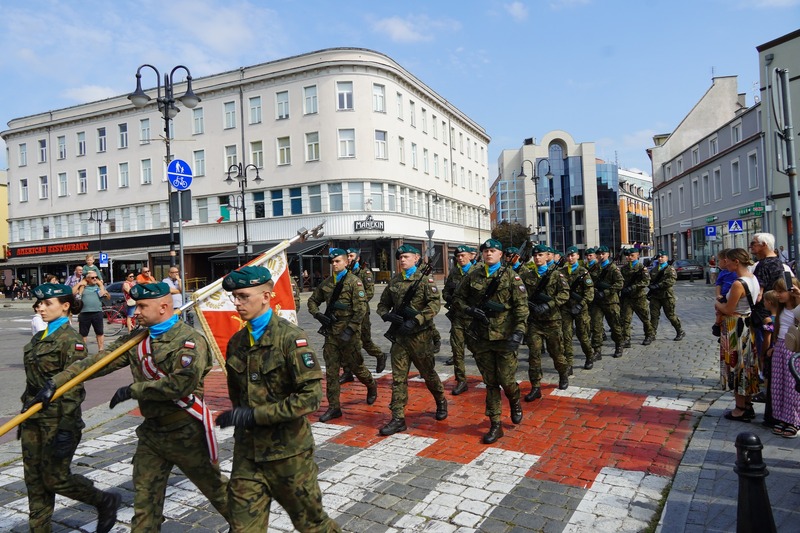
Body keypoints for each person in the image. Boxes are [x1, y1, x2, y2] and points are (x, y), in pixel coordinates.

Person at [27, 282, 230, 530]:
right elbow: (99, 361)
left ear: (164, 307)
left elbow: (180, 385)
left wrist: (133, 390)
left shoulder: (189, 341)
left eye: (143, 306)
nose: (137, 311)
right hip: (152, 435)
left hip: (185, 431)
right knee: (144, 506)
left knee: (219, 493)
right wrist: (55, 382)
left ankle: (246, 525)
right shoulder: (138, 339)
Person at [216, 266, 340, 532]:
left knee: (312, 525)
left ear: (266, 296)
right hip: (248, 455)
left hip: (289, 455)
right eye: (234, 297)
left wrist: (254, 415)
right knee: (242, 528)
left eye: (243, 296)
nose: (237, 303)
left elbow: (311, 398)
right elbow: (236, 395)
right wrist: (243, 418)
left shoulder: (291, 339)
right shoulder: (237, 342)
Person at [20, 283, 120, 533]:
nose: (40, 308)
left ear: (65, 306)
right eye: (39, 303)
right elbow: (32, 383)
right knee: (34, 481)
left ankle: (103, 500)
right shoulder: (38, 338)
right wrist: (25, 413)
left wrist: (66, 428)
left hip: (58, 420)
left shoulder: (71, 341)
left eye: (47, 303)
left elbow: (74, 388)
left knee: (55, 478)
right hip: (33, 419)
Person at [452, 239, 528, 443]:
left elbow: (521, 307)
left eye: (492, 251)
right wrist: (469, 309)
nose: (488, 254)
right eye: (485, 251)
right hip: (481, 337)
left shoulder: (512, 276)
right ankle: (496, 424)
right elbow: (457, 298)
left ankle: (514, 400)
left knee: (506, 380)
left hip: (504, 337)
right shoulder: (472, 275)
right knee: (491, 382)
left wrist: (518, 333)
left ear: (501, 254)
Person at [376, 244, 447, 436]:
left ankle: (440, 400)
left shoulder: (425, 281)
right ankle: (398, 418)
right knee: (398, 378)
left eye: (406, 257)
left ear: (416, 258)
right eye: (400, 257)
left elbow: (434, 304)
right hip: (399, 337)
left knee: (428, 373)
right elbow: (382, 305)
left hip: (420, 337)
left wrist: (416, 320)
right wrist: (387, 316)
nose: (402, 260)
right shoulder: (395, 282)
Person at [308, 248, 378, 422]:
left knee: (357, 367)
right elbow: (312, 301)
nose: (334, 264)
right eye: (332, 262)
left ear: (347, 262)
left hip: (349, 335)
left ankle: (371, 384)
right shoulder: (326, 283)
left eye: (338, 261)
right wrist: (318, 315)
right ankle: (334, 408)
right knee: (331, 372)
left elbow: (361, 309)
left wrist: (351, 329)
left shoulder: (355, 282)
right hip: (331, 334)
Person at [715, 248, 761, 422]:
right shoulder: (753, 278)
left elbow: (728, 309)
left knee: (736, 365)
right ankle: (747, 405)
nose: (725, 263)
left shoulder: (738, 283)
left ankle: (740, 408)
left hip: (735, 326)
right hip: (747, 325)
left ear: (736, 262)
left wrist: (717, 303)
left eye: (728, 261)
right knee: (747, 365)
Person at [521, 243, 570, 398]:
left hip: (552, 321)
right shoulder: (527, 275)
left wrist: (548, 305)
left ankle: (563, 374)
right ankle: (535, 386)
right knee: (534, 355)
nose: (537, 258)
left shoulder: (556, 274)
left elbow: (564, 294)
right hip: (534, 322)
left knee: (556, 353)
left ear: (547, 256)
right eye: (535, 255)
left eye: (540, 255)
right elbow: (521, 295)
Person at [339, 247, 387, 381]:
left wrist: (355, 303)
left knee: (366, 342)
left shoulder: (365, 273)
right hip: (346, 314)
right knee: (346, 341)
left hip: (361, 313)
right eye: (347, 255)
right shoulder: (344, 273)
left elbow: (370, 293)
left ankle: (380, 355)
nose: (349, 258)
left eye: (351, 256)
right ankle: (348, 372)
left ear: (358, 258)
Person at [751, 233, 784, 426]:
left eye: (754, 244)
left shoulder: (765, 264)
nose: (752, 247)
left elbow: (759, 293)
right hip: (770, 316)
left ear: (763, 245)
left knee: (765, 352)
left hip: (764, 317)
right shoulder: (777, 263)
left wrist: (765, 316)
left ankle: (767, 389)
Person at [764, 278, 800, 437]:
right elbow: (777, 328)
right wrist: (773, 346)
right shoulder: (781, 309)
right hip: (779, 347)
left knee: (792, 386)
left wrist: (799, 297)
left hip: (793, 348)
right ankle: (782, 417)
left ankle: (794, 420)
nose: (777, 295)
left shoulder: (796, 309)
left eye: (781, 291)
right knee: (778, 385)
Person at [442, 245, 478, 395]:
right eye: (458, 256)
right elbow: (445, 291)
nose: (460, 258)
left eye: (463, 255)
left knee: (479, 351)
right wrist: (448, 297)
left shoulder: (479, 271)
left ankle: (493, 376)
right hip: (457, 318)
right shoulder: (455, 272)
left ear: (471, 256)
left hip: (474, 320)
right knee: (457, 351)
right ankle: (461, 381)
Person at [560, 246, 596, 371]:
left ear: (577, 256)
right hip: (566, 308)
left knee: (583, 335)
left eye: (572, 255)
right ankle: (569, 363)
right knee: (566, 336)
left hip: (581, 308)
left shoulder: (583, 272)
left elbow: (590, 292)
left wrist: (581, 304)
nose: (570, 258)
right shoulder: (561, 272)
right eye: (568, 256)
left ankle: (589, 356)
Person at [589, 245, 625, 359]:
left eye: (603, 254)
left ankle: (619, 345)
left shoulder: (613, 268)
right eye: (599, 254)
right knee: (596, 327)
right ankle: (597, 350)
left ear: (608, 254)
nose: (601, 256)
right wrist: (594, 291)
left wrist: (606, 292)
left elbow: (620, 284)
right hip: (597, 302)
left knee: (615, 325)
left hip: (610, 302)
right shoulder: (594, 267)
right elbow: (589, 282)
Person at [619, 248, 656, 346]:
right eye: (628, 256)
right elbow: (621, 281)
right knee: (625, 319)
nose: (630, 257)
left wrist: (634, 287)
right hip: (627, 298)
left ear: (637, 256)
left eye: (632, 255)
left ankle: (649, 335)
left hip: (639, 297)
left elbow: (646, 281)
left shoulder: (641, 268)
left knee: (644, 318)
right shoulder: (624, 268)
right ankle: (626, 338)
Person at [647, 250, 685, 342]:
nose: (660, 259)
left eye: (662, 257)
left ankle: (680, 331)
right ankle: (652, 334)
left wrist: (658, 285)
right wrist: (650, 285)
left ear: (666, 258)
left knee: (670, 315)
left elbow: (671, 281)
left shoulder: (670, 269)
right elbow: (649, 279)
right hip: (655, 296)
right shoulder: (654, 269)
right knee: (654, 315)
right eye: (659, 257)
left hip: (666, 295)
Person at [72, 271, 109, 351]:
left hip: (97, 312)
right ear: (87, 279)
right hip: (84, 313)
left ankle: (101, 350)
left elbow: (108, 297)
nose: (95, 279)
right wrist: (79, 284)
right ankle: (83, 351)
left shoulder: (99, 286)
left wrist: (104, 290)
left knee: (100, 332)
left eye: (96, 277)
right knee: (83, 334)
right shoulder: (82, 287)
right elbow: (72, 293)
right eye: (92, 277)